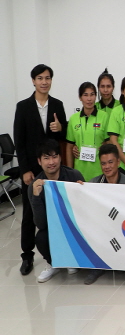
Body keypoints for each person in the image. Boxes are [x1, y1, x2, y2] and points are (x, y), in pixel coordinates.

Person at [14, 64, 67, 275]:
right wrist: (25, 170)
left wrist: (60, 128)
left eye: (47, 78)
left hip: (53, 167)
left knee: (55, 211)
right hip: (32, 169)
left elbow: (63, 137)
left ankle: (59, 252)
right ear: (33, 81)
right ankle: (27, 255)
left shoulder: (57, 104)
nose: (44, 82)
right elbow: (19, 141)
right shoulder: (23, 106)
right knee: (29, 213)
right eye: (40, 78)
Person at [29, 139, 84, 282]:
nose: (51, 162)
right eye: (46, 158)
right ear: (39, 161)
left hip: (74, 224)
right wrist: (36, 196)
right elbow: (40, 223)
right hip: (52, 227)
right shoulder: (35, 186)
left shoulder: (74, 176)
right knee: (40, 237)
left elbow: (85, 211)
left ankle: (71, 260)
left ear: (60, 158)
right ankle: (53, 263)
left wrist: (82, 191)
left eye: (54, 157)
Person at [84, 143, 125, 285]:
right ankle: (97, 267)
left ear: (118, 162)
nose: (107, 166)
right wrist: (78, 189)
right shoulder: (93, 184)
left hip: (123, 228)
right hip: (102, 227)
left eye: (110, 162)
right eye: (103, 163)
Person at [65, 81, 110, 181]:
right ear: (80, 97)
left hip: (99, 170)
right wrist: (70, 171)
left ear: (96, 96)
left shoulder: (104, 116)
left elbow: (109, 141)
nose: (89, 99)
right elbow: (69, 146)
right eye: (85, 95)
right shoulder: (73, 119)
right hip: (79, 171)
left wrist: (105, 146)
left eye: (92, 95)